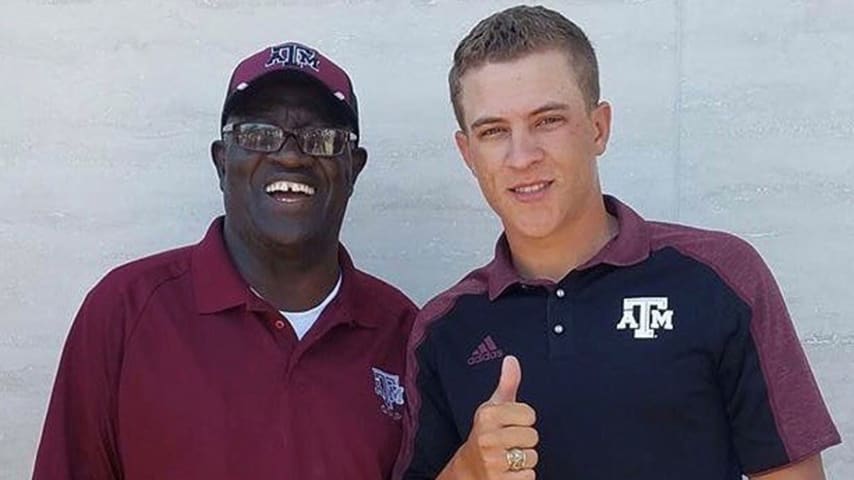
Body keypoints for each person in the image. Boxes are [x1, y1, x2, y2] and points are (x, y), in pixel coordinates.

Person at [395, 5, 841, 480]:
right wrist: (466, 470)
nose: (521, 156)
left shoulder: (718, 278)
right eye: (493, 131)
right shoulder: (445, 329)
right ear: (467, 152)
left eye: (547, 120)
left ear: (598, 127)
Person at [33, 41, 416, 480]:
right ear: (221, 162)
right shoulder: (124, 310)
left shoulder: (404, 333)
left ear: (354, 169)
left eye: (322, 139)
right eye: (257, 135)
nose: (290, 155)